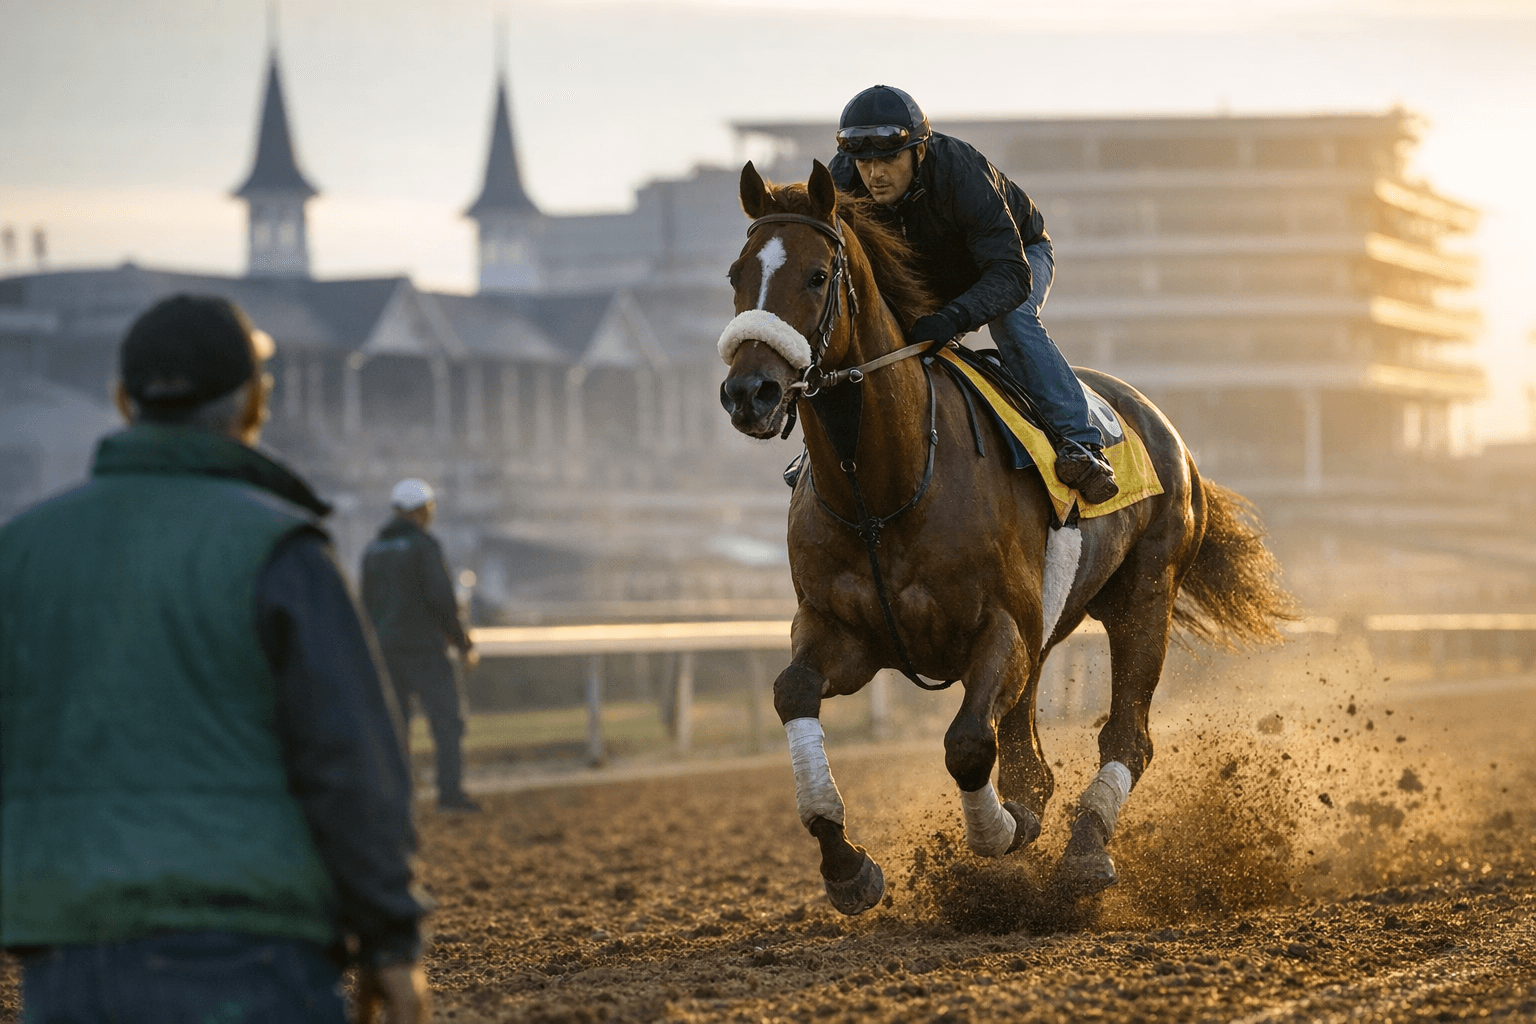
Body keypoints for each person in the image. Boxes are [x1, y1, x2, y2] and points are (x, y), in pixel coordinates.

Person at [0, 294, 430, 1023]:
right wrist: (390, 938)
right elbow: (351, 761)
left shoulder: (21, 550)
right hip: (251, 948)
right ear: (255, 402)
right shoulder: (283, 549)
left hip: (66, 959)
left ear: (122, 402)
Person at [828, 84, 1119, 505]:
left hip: (1015, 255)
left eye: (889, 158)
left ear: (919, 152)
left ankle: (1080, 443)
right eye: (864, 162)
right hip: (928, 272)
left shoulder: (960, 171)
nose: (874, 175)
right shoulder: (842, 182)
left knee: (1013, 318)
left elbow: (1010, 274)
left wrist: (952, 317)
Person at [361, 479, 482, 813]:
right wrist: (463, 643)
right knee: (447, 723)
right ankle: (450, 794)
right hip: (424, 651)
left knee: (394, 726)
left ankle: (395, 797)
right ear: (421, 510)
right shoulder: (424, 547)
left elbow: (365, 606)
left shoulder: (373, 550)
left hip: (385, 651)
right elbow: (442, 600)